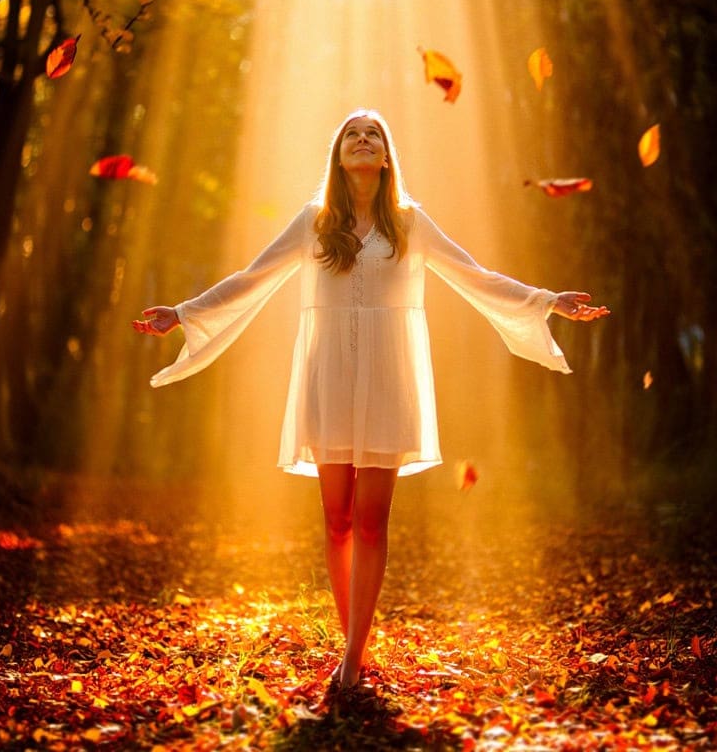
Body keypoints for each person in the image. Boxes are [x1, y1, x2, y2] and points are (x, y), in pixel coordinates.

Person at [133, 109, 609, 691]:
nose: (362, 140)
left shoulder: (411, 223)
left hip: (388, 377)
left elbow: (475, 276)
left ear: (386, 158)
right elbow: (252, 277)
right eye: (352, 135)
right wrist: (182, 314)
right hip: (328, 372)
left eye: (373, 135)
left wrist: (547, 301)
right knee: (336, 521)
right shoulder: (315, 222)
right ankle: (353, 639)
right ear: (339, 157)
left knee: (371, 520)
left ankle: (353, 659)